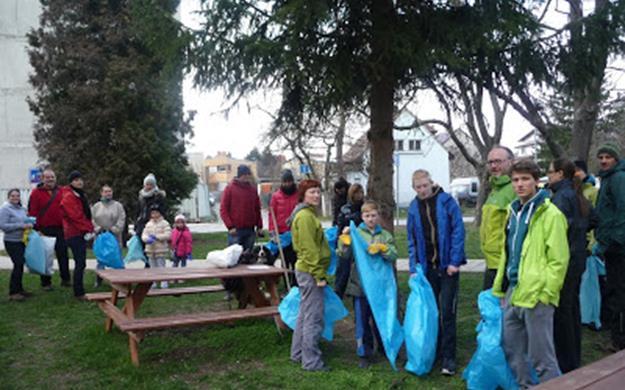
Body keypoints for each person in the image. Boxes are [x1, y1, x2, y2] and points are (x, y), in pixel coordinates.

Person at [493, 159, 569, 388]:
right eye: (515, 180)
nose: (520, 184)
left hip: (537, 296)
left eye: (525, 179)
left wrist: (546, 294)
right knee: (513, 351)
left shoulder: (550, 214)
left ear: (537, 181)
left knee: (541, 358)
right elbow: (508, 253)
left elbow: (559, 260)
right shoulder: (513, 212)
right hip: (514, 292)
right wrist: (502, 287)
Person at [407, 169, 465, 376]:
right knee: (431, 313)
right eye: (418, 187)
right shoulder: (413, 208)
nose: (423, 190)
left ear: (431, 183)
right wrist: (414, 268)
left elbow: (458, 231)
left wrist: (454, 261)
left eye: (425, 185)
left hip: (448, 268)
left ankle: (449, 358)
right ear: (414, 188)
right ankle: (435, 352)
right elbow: (411, 240)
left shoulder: (447, 201)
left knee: (448, 312)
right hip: (427, 269)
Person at [337, 200, 398, 368]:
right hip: (360, 286)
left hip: (380, 286)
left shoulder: (385, 235)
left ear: (378, 216)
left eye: (373, 215)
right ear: (362, 217)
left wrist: (385, 250)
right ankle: (364, 352)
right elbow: (343, 255)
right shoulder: (357, 234)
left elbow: (394, 255)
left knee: (382, 316)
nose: (370, 219)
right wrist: (345, 240)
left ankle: (385, 347)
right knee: (362, 321)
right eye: (367, 215)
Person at [547, 158, 594, 373]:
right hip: (578, 259)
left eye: (550, 172)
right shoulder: (576, 194)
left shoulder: (560, 197)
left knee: (563, 312)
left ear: (559, 174)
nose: (548, 177)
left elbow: (558, 230)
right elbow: (593, 219)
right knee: (573, 309)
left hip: (566, 261)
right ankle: (574, 355)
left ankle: (566, 361)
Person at [290, 179, 331, 372]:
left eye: (317, 192)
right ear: (303, 195)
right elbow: (309, 249)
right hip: (309, 271)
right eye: (312, 192)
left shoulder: (307, 214)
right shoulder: (305, 216)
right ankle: (311, 362)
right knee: (313, 317)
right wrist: (319, 275)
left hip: (306, 269)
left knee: (305, 314)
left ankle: (298, 353)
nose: (316, 195)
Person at [594, 142, 625, 350]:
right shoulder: (607, 178)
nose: (604, 161)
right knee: (613, 290)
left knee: (619, 293)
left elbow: (623, 210)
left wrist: (615, 239)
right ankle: (617, 338)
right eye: (601, 157)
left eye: (608, 157)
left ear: (616, 159)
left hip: (618, 247)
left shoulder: (618, 178)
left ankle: (620, 342)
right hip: (609, 245)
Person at [480, 146, 516, 290]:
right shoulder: (495, 190)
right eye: (490, 162)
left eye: (498, 161)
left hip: (505, 265)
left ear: (511, 162)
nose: (494, 166)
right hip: (491, 264)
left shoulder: (515, 189)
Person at [27, 168, 70, 290]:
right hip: (44, 229)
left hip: (61, 228)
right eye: (47, 177)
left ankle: (65, 279)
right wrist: (36, 229)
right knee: (45, 256)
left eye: (52, 177)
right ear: (42, 179)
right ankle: (46, 283)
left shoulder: (62, 191)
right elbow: (32, 212)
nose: (50, 179)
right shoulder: (36, 193)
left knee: (63, 255)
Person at [60, 171, 95, 299]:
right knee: (80, 263)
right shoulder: (69, 196)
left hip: (78, 232)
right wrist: (88, 228)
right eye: (76, 180)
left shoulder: (78, 194)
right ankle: (78, 292)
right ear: (71, 182)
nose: (79, 182)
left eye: (80, 179)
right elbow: (76, 216)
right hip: (74, 233)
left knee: (81, 262)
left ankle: (78, 289)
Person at [0, 189, 34, 301]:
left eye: (17, 196)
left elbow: (25, 220)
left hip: (22, 241)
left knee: (20, 265)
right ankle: (13, 292)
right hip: (11, 241)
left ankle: (19, 289)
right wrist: (21, 225)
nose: (15, 198)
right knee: (18, 264)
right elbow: (3, 226)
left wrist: (30, 224)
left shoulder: (21, 208)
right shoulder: (5, 209)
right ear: (8, 197)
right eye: (13, 196)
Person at [220, 165, 263, 251]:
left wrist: (259, 226)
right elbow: (223, 210)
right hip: (235, 231)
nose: (247, 177)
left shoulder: (253, 190)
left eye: (248, 175)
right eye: (245, 175)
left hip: (250, 230)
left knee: (248, 257)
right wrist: (230, 227)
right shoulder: (229, 189)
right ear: (240, 175)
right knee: (234, 257)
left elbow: (257, 209)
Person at [91, 184, 126, 287]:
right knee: (100, 258)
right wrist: (98, 228)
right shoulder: (96, 206)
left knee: (117, 257)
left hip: (114, 236)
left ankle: (121, 280)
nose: (108, 193)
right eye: (106, 191)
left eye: (110, 191)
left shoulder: (118, 206)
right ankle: (99, 279)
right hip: (100, 236)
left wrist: (114, 229)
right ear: (101, 193)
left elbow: (122, 218)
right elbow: (91, 219)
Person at [334, 183, 365, 298]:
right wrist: (338, 242)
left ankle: (356, 290)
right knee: (343, 268)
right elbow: (340, 225)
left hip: (361, 241)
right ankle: (339, 292)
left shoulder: (364, 208)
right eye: (356, 193)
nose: (359, 195)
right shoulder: (345, 209)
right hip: (347, 241)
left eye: (361, 192)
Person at [268, 169, 299, 284]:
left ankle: (295, 283)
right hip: (282, 233)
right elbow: (272, 214)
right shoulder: (276, 196)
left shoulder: (298, 194)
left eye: (289, 181)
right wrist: (272, 230)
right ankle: (286, 284)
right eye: (285, 182)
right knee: (285, 260)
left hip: (296, 233)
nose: (287, 184)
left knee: (296, 259)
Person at [141, 204, 172, 288]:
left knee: (161, 265)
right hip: (150, 249)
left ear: (160, 213)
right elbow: (144, 234)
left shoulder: (164, 223)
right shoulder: (148, 224)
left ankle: (164, 281)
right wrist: (147, 239)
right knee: (152, 266)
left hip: (160, 249)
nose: (154, 215)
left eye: (156, 213)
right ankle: (153, 282)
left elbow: (168, 235)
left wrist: (157, 237)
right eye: (152, 213)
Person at [135, 173, 166, 241]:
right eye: (147, 184)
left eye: (151, 184)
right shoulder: (141, 196)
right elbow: (138, 211)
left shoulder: (158, 196)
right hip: (141, 223)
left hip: (154, 222)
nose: (149, 186)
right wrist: (136, 224)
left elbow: (162, 210)